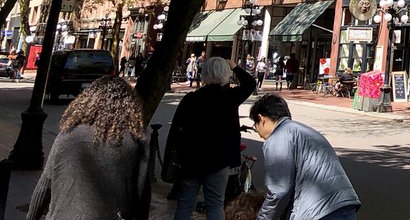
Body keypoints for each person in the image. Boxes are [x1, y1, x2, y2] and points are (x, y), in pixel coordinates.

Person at [27, 76, 150, 220]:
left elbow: (43, 187)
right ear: (130, 107)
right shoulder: (136, 141)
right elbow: (142, 196)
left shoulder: (68, 135)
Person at [165, 56, 257, 220]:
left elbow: (177, 131)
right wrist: (235, 67)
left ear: (204, 74)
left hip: (190, 160)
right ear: (225, 74)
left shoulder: (191, 99)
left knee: (185, 204)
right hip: (218, 161)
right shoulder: (229, 97)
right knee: (215, 204)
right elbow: (250, 84)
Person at [249, 93, 360, 220]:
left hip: (319, 211)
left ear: (261, 118)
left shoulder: (278, 137)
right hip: (344, 205)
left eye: (255, 125)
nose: (257, 131)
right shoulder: (303, 131)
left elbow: (279, 189)